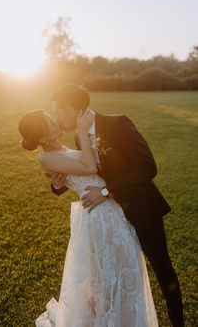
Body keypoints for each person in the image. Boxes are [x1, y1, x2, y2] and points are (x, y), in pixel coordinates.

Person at [46, 84, 185, 327]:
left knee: (163, 271)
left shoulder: (118, 124)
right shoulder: (79, 137)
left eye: (59, 112)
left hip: (142, 210)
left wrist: (106, 191)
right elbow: (89, 173)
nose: (57, 118)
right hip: (108, 222)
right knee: (110, 277)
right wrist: (59, 183)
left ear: (75, 109)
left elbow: (147, 168)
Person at [18, 108, 158, 326]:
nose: (56, 120)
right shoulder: (45, 158)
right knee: (103, 274)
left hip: (111, 211)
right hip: (97, 216)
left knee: (122, 268)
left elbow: (93, 165)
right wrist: (82, 130)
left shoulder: (62, 148)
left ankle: (123, 318)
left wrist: (60, 182)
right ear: (43, 136)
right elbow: (89, 166)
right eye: (50, 122)